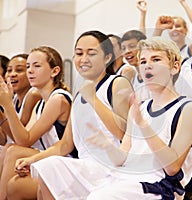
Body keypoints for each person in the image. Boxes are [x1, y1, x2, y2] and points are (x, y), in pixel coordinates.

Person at [25, 36, 192, 199]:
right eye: (143, 61)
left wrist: (143, 125)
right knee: (49, 167)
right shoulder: (140, 107)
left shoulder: (188, 108)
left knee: (98, 197)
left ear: (175, 67)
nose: (147, 65)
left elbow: (172, 167)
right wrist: (105, 146)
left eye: (156, 60)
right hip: (125, 176)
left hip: (158, 185)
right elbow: (122, 158)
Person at [13, 30, 133, 199]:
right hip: (86, 167)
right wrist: (33, 159)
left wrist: (94, 100)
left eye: (91, 53)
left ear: (107, 58)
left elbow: (125, 133)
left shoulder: (117, 84)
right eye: (79, 53)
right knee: (46, 172)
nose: (83, 58)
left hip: (112, 167)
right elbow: (65, 145)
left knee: (49, 171)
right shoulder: (79, 95)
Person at [0, 46, 74, 199]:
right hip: (52, 159)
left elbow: (24, 141)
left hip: (66, 161)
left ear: (54, 71)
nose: (30, 71)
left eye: (37, 66)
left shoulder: (58, 99)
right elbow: (21, 138)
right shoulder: (42, 103)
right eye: (28, 67)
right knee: (11, 149)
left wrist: (7, 105)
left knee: (13, 152)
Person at [0, 53, 41, 179]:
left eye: (19, 70)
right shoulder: (15, 98)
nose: (12, 74)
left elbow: (18, 139)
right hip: (20, 149)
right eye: (9, 70)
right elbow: (4, 138)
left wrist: (4, 108)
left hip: (37, 151)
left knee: (10, 149)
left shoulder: (33, 95)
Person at [121, 29, 150, 101]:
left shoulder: (154, 74)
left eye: (132, 46)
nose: (127, 51)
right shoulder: (133, 79)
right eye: (123, 48)